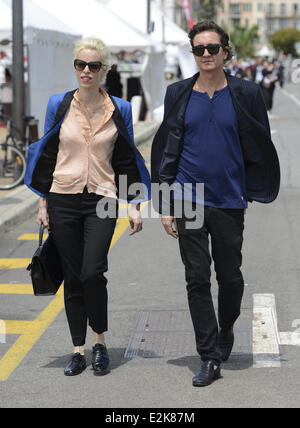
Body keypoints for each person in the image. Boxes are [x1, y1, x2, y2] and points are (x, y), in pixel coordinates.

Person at [151, 21, 280, 387]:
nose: (206, 54)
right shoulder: (178, 93)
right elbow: (165, 150)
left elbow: (259, 145)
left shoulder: (246, 93)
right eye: (199, 49)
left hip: (229, 200)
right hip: (187, 198)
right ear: (192, 53)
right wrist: (165, 202)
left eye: (212, 48)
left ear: (225, 50)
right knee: (196, 278)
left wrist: (250, 189)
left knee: (230, 276)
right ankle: (208, 355)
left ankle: (226, 329)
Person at [25, 38, 151, 377]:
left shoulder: (119, 108)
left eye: (93, 66)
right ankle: (78, 349)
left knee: (93, 271)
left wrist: (135, 204)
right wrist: (42, 200)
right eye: (80, 64)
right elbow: (48, 153)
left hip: (103, 197)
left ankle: (100, 342)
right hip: (62, 197)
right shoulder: (58, 104)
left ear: (105, 70)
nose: (85, 71)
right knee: (72, 274)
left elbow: (125, 157)